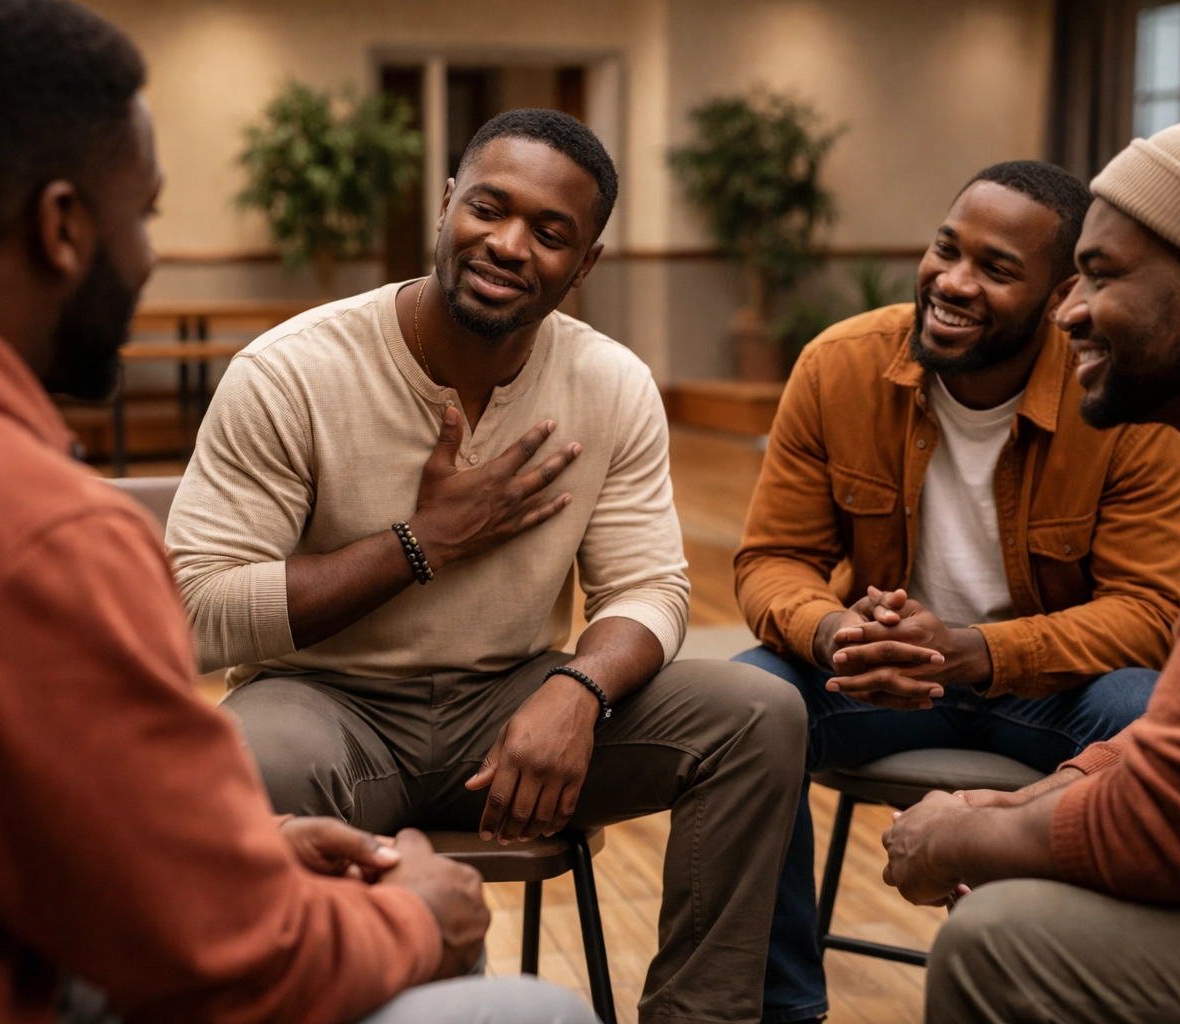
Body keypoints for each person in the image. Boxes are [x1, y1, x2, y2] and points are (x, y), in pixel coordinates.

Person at [0, 2, 597, 1022]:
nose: (148, 259)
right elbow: (221, 954)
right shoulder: (24, 530)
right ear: (62, 227)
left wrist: (243, 853)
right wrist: (416, 919)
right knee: (534, 1012)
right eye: (142, 213)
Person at [164, 106, 808, 1024]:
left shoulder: (611, 381)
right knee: (239, 757)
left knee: (758, 715)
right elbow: (196, 613)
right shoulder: (292, 371)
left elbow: (651, 587)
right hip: (325, 704)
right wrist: (426, 543)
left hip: (512, 696)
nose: (510, 244)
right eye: (489, 208)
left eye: (552, 233)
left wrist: (578, 692)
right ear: (444, 206)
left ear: (584, 266)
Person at [882, 101, 1180, 1024]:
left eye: (1098, 276)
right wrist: (1052, 798)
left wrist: (967, 843)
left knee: (1006, 942)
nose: (1066, 311)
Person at [732, 160, 1180, 1023]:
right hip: (882, 682)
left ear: (1062, 295)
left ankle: (1077, 986)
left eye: (995, 268)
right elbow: (771, 560)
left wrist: (980, 651)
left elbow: (1152, 613)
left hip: (1055, 695)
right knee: (748, 702)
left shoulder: (1123, 399)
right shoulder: (838, 367)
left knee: (1155, 711)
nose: (952, 281)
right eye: (946, 249)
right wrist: (835, 631)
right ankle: (779, 1010)